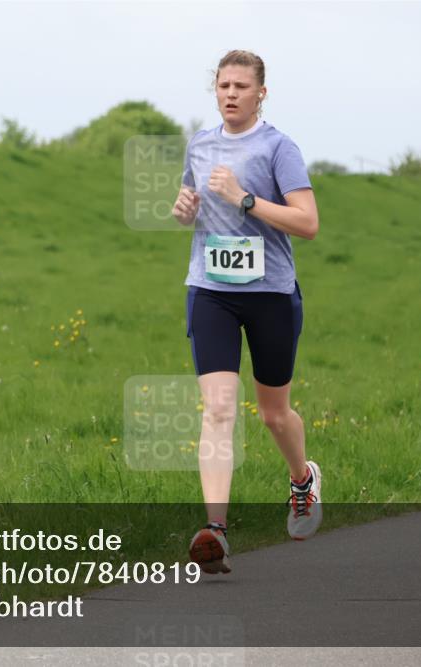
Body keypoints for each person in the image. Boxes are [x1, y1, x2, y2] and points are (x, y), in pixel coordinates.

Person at [171, 50, 322, 574]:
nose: (230, 94)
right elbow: (190, 204)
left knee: (274, 413)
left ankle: (302, 479)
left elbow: (308, 223)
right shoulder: (200, 144)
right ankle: (215, 531)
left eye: (241, 86)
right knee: (218, 409)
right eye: (223, 85)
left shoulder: (279, 148)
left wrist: (246, 199)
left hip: (271, 293)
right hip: (210, 289)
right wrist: (183, 210)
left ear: (261, 93)